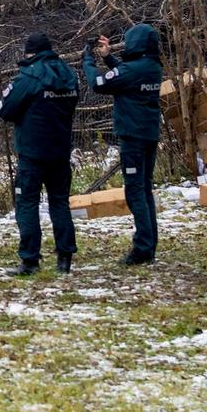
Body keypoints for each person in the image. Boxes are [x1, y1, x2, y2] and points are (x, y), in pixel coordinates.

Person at [0, 31, 81, 275]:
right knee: (59, 203)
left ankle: (30, 260)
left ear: (29, 53)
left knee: (27, 204)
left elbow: (5, 109)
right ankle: (65, 257)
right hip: (60, 150)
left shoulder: (28, 77)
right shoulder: (68, 74)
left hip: (32, 153)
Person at [85, 23, 165, 265]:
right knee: (144, 188)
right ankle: (149, 245)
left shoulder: (134, 69)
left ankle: (142, 247)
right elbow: (125, 75)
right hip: (149, 134)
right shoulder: (152, 67)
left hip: (132, 136)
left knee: (134, 191)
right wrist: (109, 59)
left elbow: (98, 84)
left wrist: (88, 61)